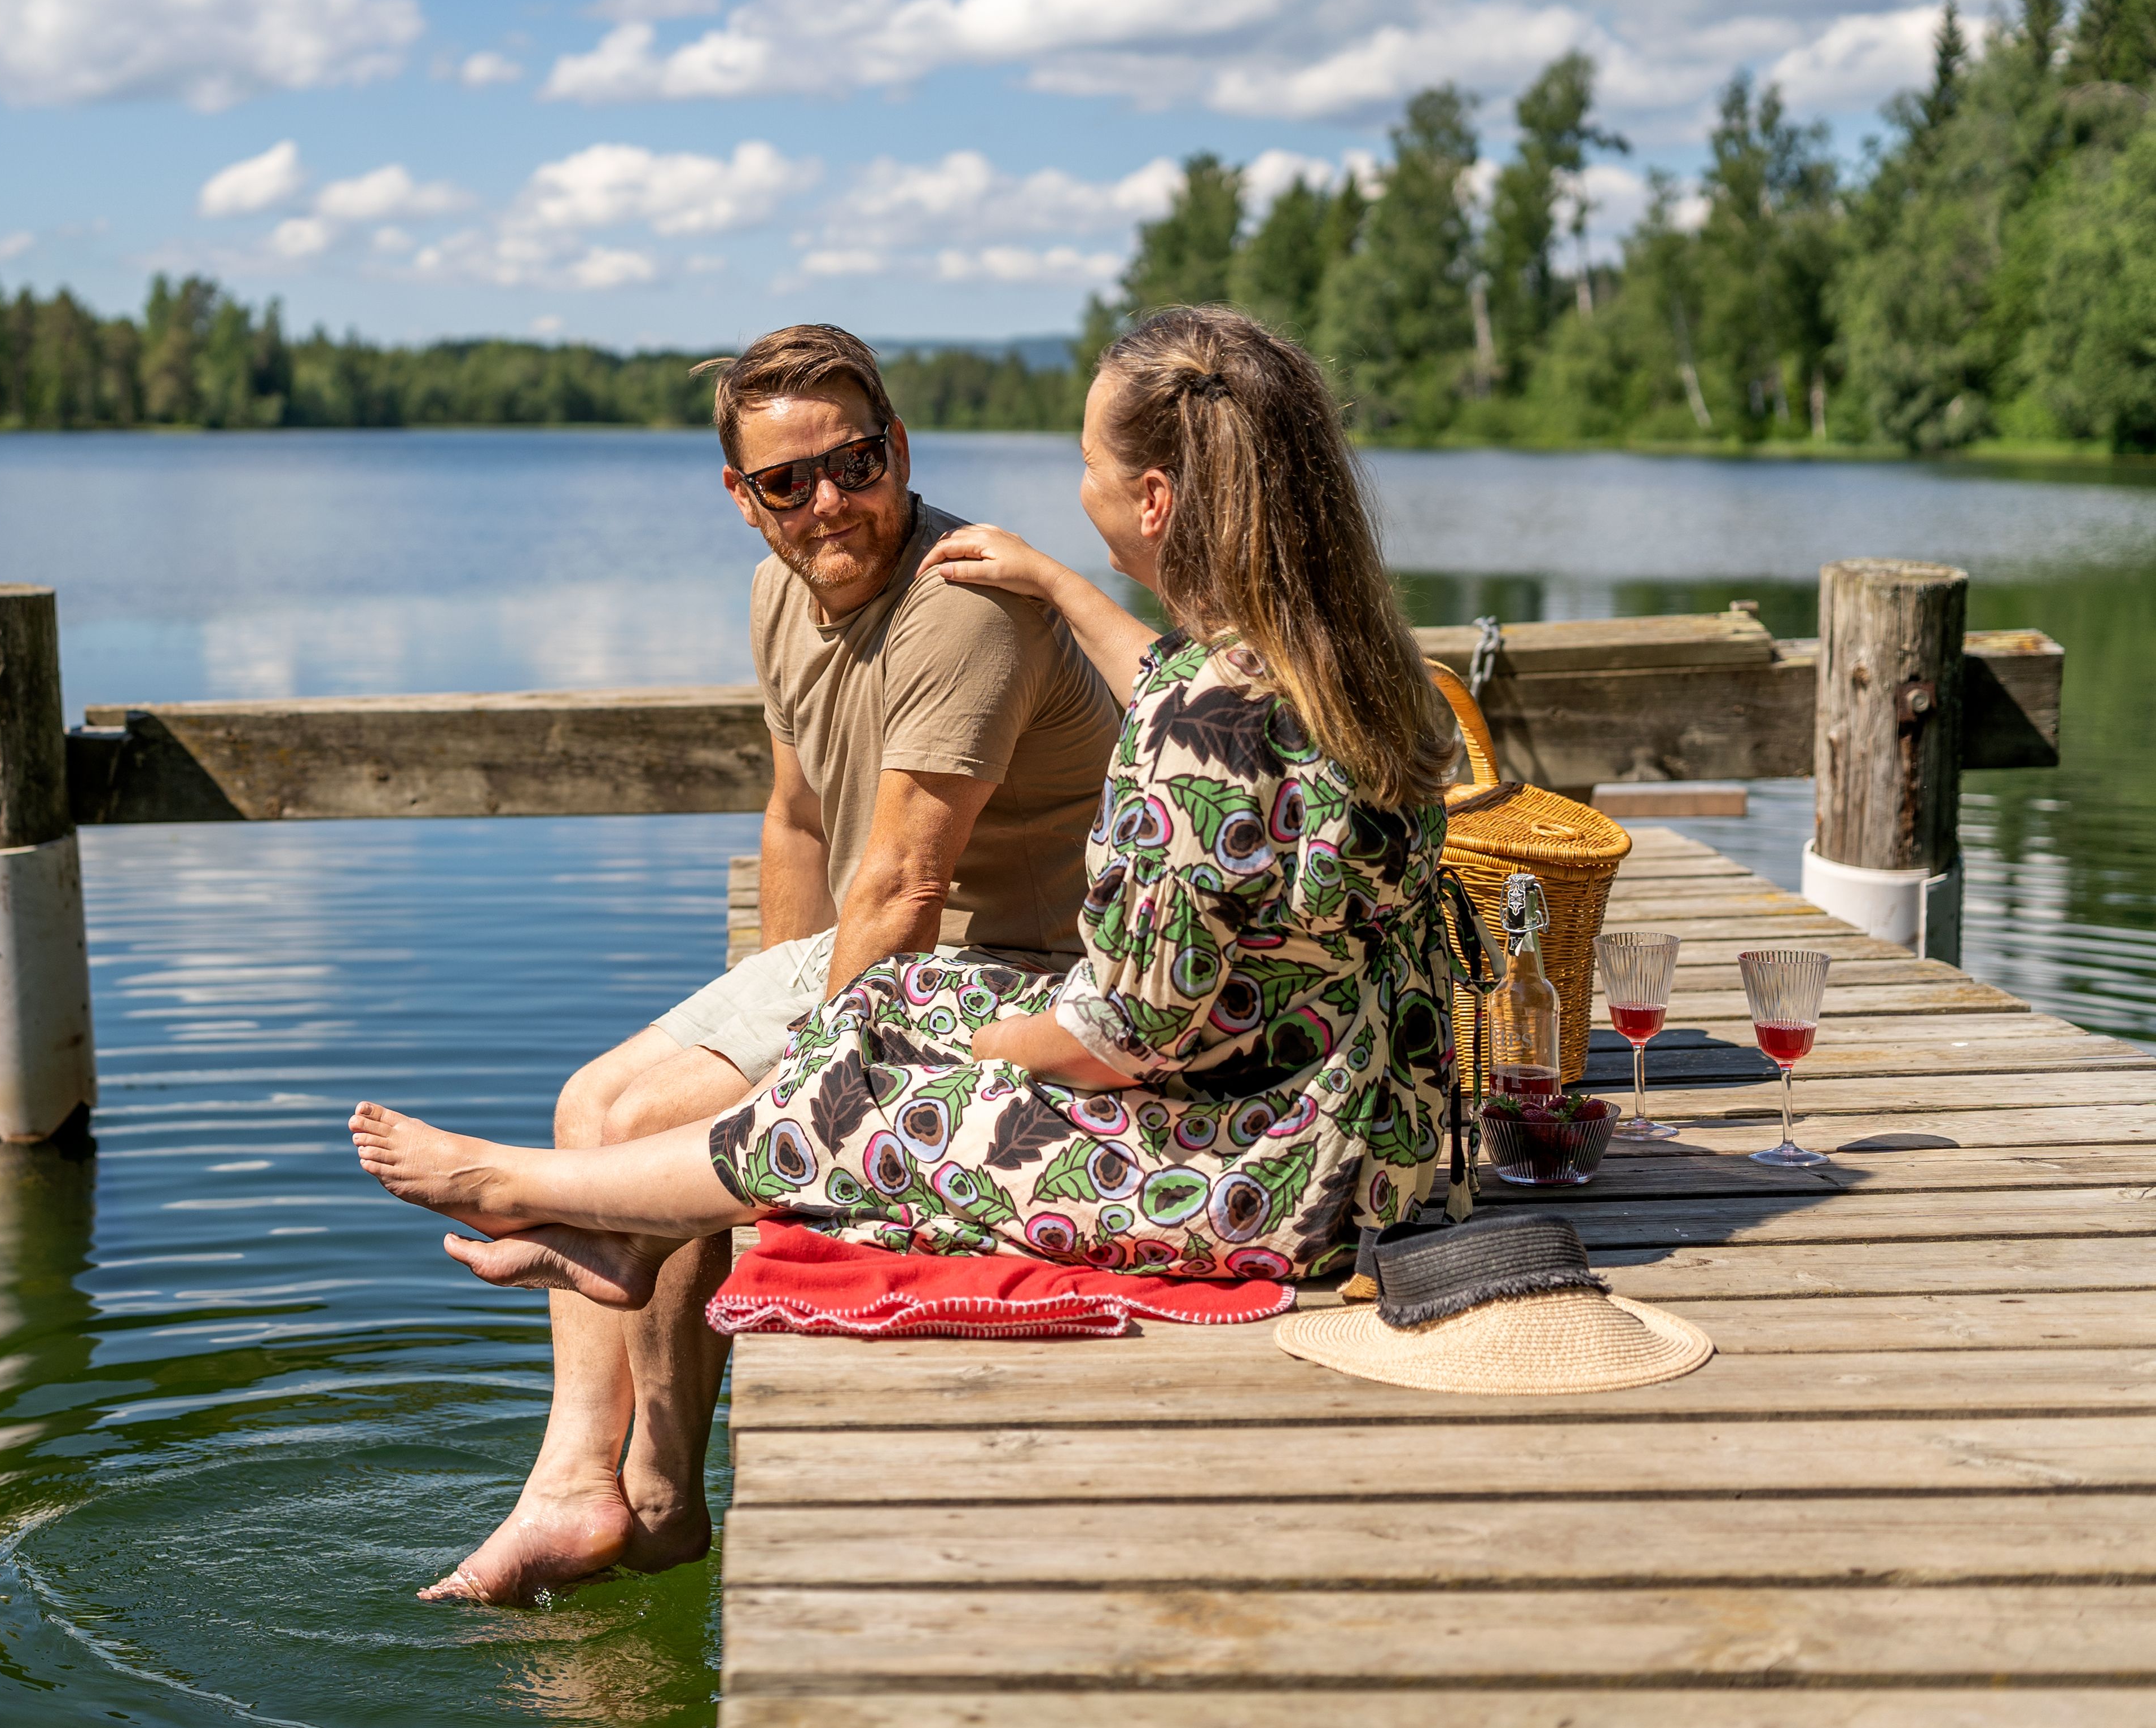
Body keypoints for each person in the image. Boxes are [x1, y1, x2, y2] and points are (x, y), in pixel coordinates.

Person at [349, 305, 1459, 1340]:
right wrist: (1065, 589)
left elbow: (1121, 1039)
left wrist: (964, 1057)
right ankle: (614, 1219)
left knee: (875, 1085)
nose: (1081, 494)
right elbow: (1196, 699)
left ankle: (527, 1188)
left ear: (1154, 499)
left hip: (1257, 1178)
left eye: (1088, 469)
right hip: (1373, 1117)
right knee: (885, 1000)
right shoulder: (1360, 676)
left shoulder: (1191, 740)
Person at [423, 322, 1124, 1606]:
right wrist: (770, 1005)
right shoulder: (778, 596)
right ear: (742, 502)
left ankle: (597, 1492)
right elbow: (798, 821)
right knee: (593, 1106)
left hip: (1038, 972)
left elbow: (906, 886)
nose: (827, 504)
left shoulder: (960, 608)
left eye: (852, 465)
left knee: (644, 1126)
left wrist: (792, 1099)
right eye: (785, 484)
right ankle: (637, 1493)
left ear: (897, 451)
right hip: (891, 950)